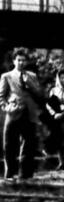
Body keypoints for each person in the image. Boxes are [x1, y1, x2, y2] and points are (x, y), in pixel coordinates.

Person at [0, 48, 43, 180]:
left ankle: (25, 174)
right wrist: (7, 108)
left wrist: (30, 84)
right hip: (13, 113)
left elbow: (39, 95)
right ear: (14, 61)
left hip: (29, 113)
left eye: (23, 60)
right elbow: (1, 97)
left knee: (28, 143)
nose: (21, 63)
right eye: (18, 60)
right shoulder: (6, 76)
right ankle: (10, 173)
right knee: (9, 144)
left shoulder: (32, 76)